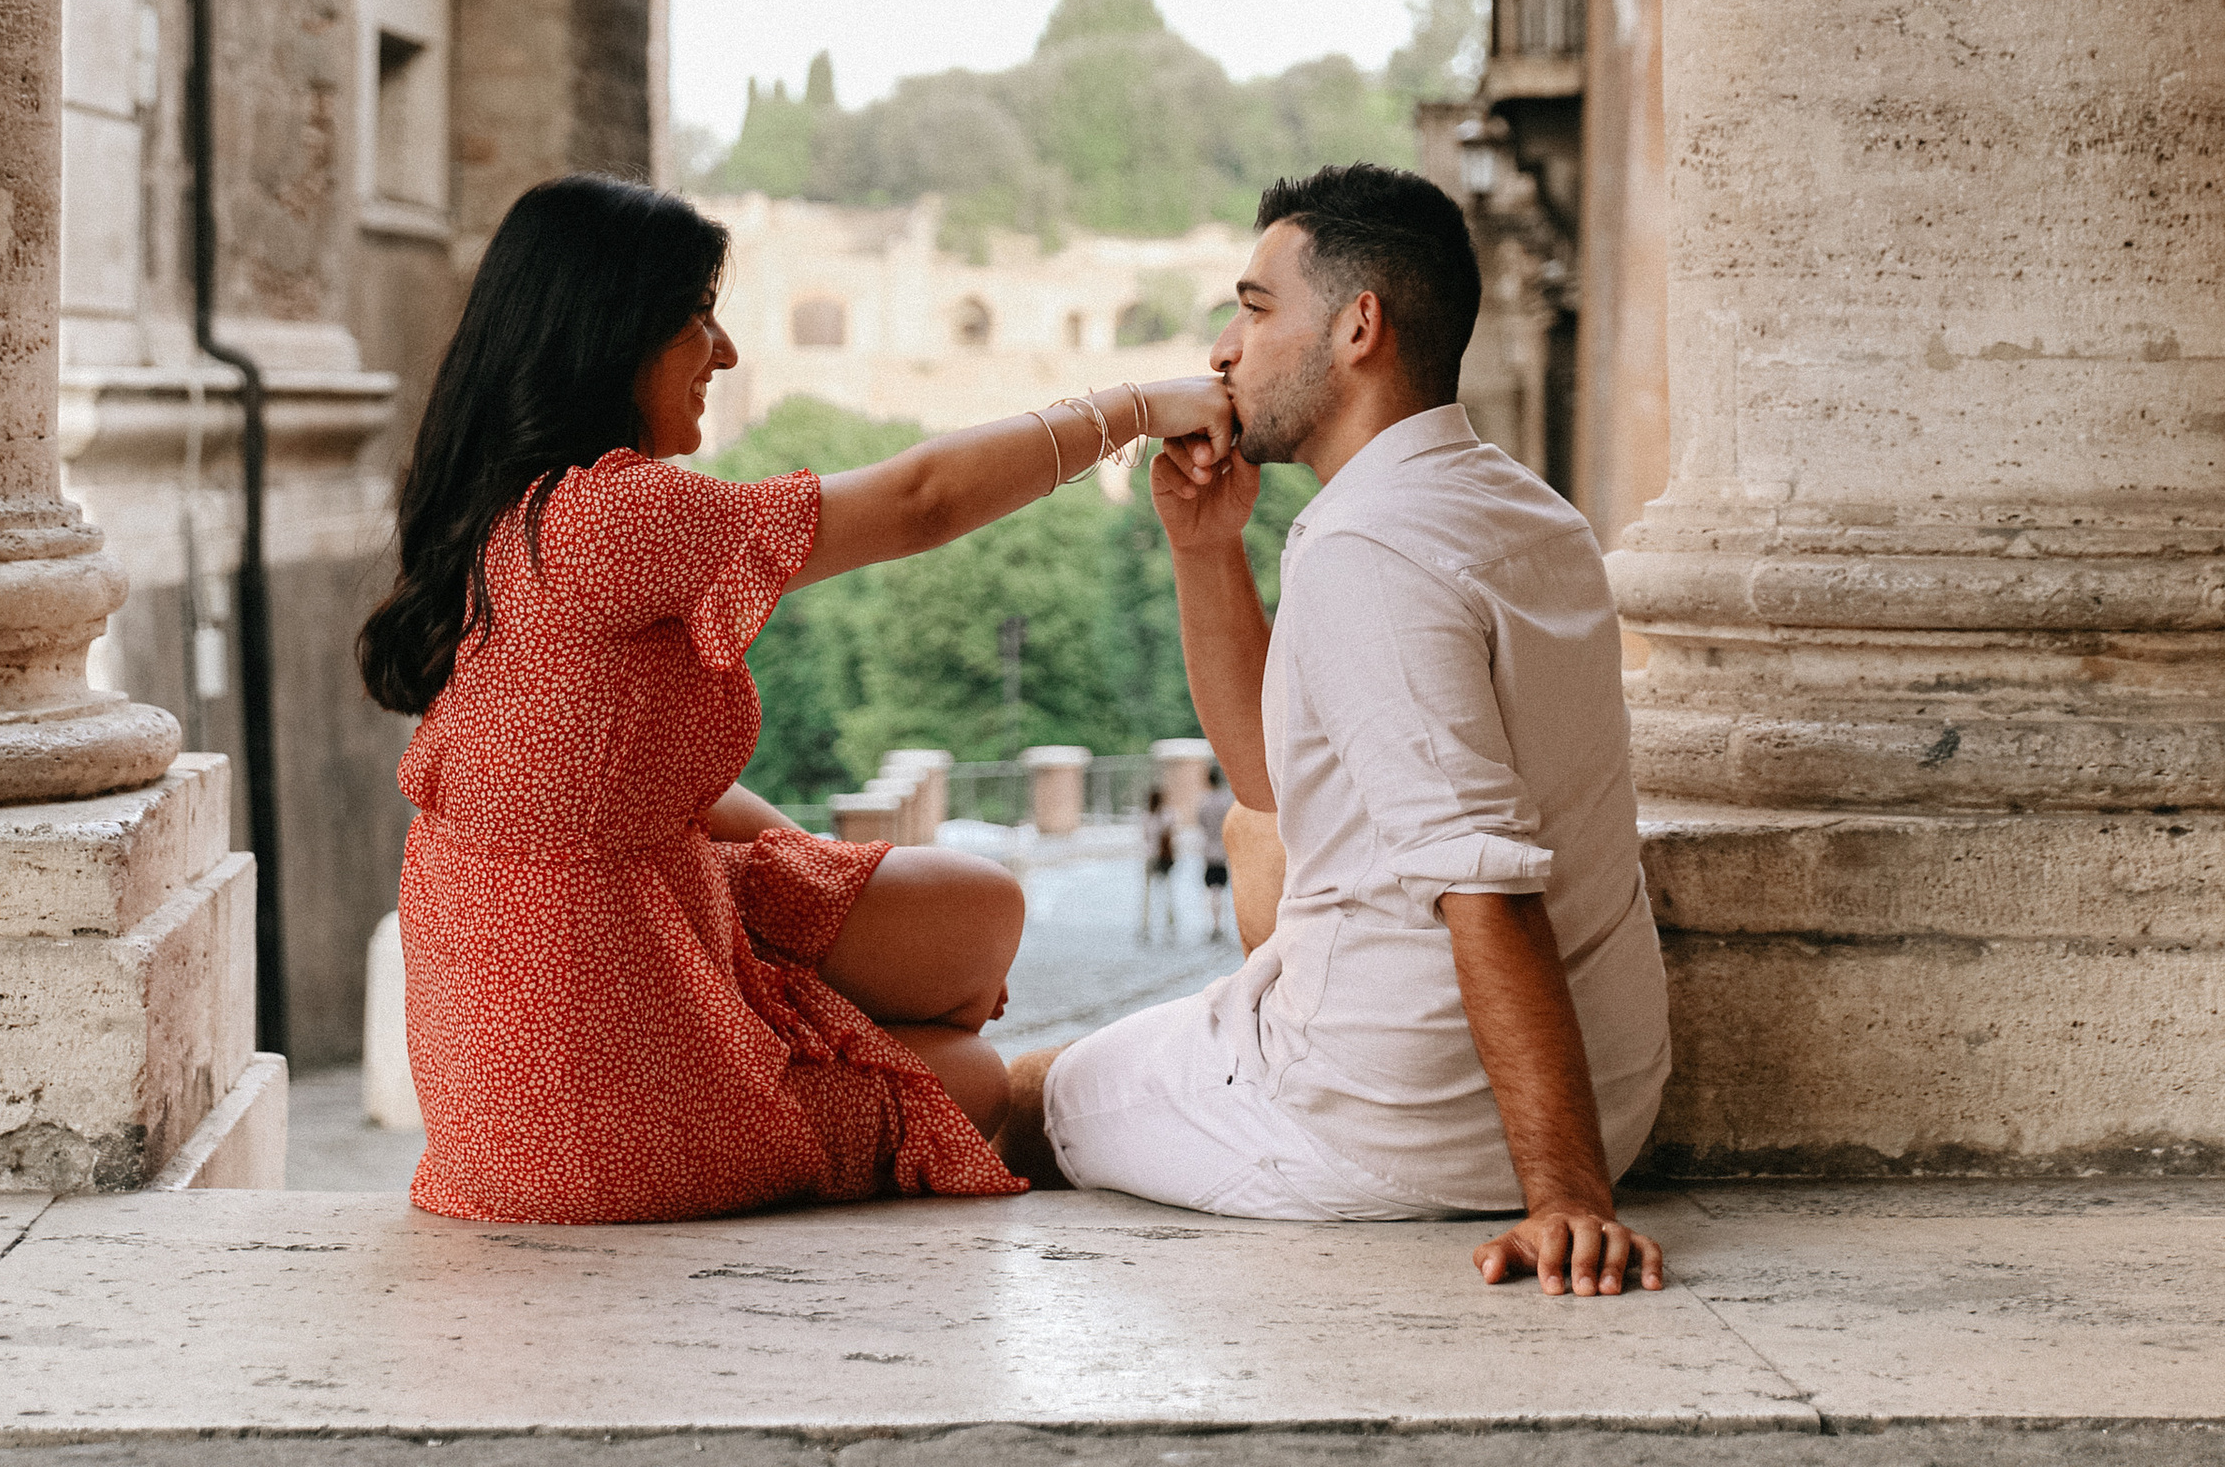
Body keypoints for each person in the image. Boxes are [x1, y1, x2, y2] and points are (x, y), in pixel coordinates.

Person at [356, 170, 1236, 1226]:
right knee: (969, 1080)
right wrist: (1137, 408)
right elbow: (916, 502)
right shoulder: (611, 518)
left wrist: (816, 890)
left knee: (979, 911)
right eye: (696, 318)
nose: (723, 353)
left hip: (509, 1080)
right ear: (608, 334)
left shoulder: (499, 513)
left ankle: (817, 1034)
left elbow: (625, 777)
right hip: (599, 1086)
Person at [1000, 164, 1670, 1298]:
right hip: (1617, 1096)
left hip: (1387, 1118)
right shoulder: (1527, 510)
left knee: (1009, 1100)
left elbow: (1483, 881)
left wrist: (1564, 1201)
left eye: (1256, 309)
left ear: (1359, 327)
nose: (1221, 350)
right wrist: (1207, 550)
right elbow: (1271, 778)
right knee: (1267, 852)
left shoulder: (1366, 547)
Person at [1195, 760, 1233, 944]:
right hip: (1226, 850)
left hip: (1209, 850)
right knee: (1223, 889)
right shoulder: (1228, 801)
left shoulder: (1204, 802)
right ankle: (1222, 924)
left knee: (1213, 890)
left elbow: (1200, 823)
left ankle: (1216, 924)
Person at [1138, 783, 1176, 942]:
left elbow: (1146, 837)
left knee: (1147, 893)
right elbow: (1172, 836)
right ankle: (1170, 922)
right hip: (1164, 858)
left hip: (1150, 856)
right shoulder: (1168, 815)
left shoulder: (1147, 817)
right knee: (1167, 892)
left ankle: (1146, 924)